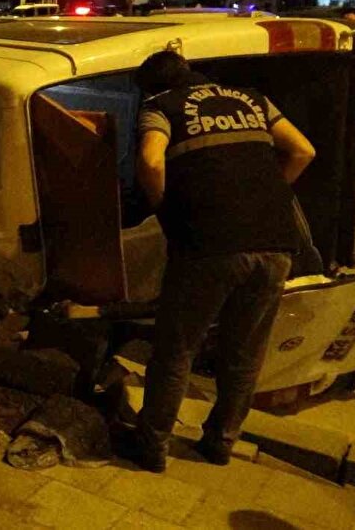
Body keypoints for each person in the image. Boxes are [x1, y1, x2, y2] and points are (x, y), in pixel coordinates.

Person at [124, 51, 316, 473]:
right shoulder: (251, 99)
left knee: (177, 349)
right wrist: (263, 200)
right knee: (244, 352)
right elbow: (303, 151)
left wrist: (166, 209)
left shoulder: (162, 107)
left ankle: (152, 446)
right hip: (276, 243)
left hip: (209, 244)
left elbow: (152, 161)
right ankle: (221, 442)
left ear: (153, 87)